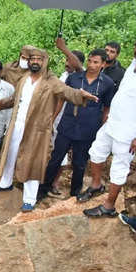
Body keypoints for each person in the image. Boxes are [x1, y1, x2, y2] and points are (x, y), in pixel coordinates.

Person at [0, 48, 98, 212]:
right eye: (33, 59)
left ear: (44, 61)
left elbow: (66, 92)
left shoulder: (50, 81)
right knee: (10, 153)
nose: (35, 62)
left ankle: (30, 199)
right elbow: (15, 99)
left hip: (36, 130)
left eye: (39, 59)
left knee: (33, 161)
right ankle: (5, 183)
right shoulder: (24, 78)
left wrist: (80, 95)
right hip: (17, 125)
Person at [80, 31, 136, 218]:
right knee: (96, 152)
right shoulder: (134, 65)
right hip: (113, 123)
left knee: (119, 168)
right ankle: (96, 185)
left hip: (130, 132)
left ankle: (108, 206)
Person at [39, 49, 115, 199]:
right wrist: (53, 118)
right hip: (67, 125)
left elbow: (107, 107)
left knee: (80, 163)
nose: (92, 65)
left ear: (103, 64)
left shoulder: (107, 84)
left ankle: (75, 193)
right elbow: (62, 99)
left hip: (88, 129)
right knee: (55, 159)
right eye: (90, 61)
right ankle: (42, 190)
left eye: (96, 62)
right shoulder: (74, 78)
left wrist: (101, 127)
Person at [48, 48, 86, 197]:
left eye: (70, 60)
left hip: (69, 122)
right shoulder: (64, 76)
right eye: (66, 60)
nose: (67, 63)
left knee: (61, 155)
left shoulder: (81, 78)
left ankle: (55, 183)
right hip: (56, 119)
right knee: (51, 152)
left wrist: (63, 47)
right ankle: (45, 181)